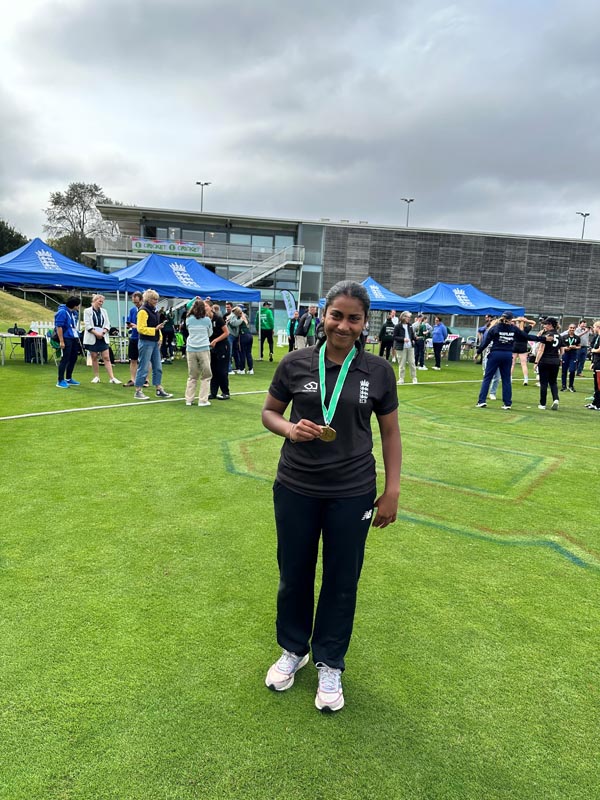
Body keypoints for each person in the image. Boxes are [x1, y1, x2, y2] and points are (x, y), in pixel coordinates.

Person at [261, 280, 401, 713]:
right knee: (294, 573)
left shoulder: (377, 371)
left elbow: (391, 432)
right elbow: (269, 412)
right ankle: (293, 649)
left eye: (353, 318)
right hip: (296, 486)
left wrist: (392, 489)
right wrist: (289, 429)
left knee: (342, 580)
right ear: (323, 315)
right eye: (336, 315)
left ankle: (330, 662)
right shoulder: (295, 362)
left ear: (364, 323)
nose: (343, 325)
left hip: (353, 490)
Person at [474, 311, 532, 409]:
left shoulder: (495, 328)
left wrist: (478, 353)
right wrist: (542, 339)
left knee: (487, 378)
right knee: (506, 380)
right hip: (508, 355)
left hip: (495, 354)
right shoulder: (513, 328)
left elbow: (485, 342)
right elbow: (527, 336)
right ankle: (507, 403)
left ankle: (482, 401)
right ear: (511, 319)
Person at [133, 289, 173, 400]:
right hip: (145, 341)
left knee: (158, 367)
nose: (156, 301)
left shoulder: (154, 311)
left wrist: (159, 337)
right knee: (143, 366)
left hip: (154, 342)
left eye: (157, 299)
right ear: (148, 299)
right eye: (154, 299)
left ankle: (158, 388)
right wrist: (155, 330)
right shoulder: (143, 311)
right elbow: (141, 329)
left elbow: (157, 326)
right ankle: (138, 390)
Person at [83, 295, 121, 384]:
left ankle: (112, 377)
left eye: (102, 302)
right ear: (94, 301)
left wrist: (103, 332)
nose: (101, 303)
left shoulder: (104, 311)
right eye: (99, 301)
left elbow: (107, 323)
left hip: (102, 337)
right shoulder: (87, 311)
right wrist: (96, 333)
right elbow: (87, 325)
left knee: (106, 357)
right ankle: (96, 376)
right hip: (92, 336)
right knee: (94, 357)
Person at [184, 298, 213, 407]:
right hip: (203, 348)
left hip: (191, 349)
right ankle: (203, 400)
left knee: (192, 376)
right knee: (206, 375)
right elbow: (210, 333)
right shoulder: (207, 320)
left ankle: (189, 399)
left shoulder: (188, 319)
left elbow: (188, 329)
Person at [534, 317, 562, 410]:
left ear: (550, 325)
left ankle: (543, 404)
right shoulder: (559, 335)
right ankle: (556, 399)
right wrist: (559, 359)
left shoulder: (547, 335)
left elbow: (541, 349)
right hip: (555, 361)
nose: (544, 326)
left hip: (545, 360)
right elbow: (562, 350)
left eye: (546, 324)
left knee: (544, 383)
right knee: (553, 382)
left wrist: (536, 362)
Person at [54, 296, 82, 388]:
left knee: (73, 358)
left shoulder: (74, 313)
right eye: (78, 305)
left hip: (73, 337)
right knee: (65, 359)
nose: (79, 307)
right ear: (74, 305)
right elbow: (59, 326)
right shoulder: (62, 312)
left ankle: (69, 378)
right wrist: (62, 341)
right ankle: (60, 380)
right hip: (66, 337)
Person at [124, 291, 148, 387]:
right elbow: (130, 322)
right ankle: (133, 379)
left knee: (145, 360)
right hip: (134, 337)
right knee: (133, 359)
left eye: (137, 302)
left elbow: (148, 326)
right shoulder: (132, 310)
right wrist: (129, 325)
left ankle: (146, 380)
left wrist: (136, 326)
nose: (136, 304)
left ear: (142, 300)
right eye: (134, 302)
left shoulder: (146, 310)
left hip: (143, 337)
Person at [208, 303, 231, 400]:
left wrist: (216, 340)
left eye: (205, 307)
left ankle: (225, 392)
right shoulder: (205, 320)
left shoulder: (218, 319)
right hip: (212, 348)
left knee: (222, 370)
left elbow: (226, 333)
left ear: (210, 308)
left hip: (222, 346)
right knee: (213, 370)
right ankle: (213, 392)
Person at [393, 311, 418, 385]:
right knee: (402, 364)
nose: (409, 318)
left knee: (412, 363)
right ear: (403, 317)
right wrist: (403, 339)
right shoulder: (398, 326)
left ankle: (414, 378)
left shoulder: (410, 326)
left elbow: (412, 336)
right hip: (401, 347)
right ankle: (401, 379)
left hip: (410, 347)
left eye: (409, 317)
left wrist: (415, 338)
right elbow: (394, 337)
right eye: (408, 317)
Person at [511, 316, 537, 386]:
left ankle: (510, 378)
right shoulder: (526, 329)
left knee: (512, 363)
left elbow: (509, 320)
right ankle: (526, 379)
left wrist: (518, 319)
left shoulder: (515, 328)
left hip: (515, 345)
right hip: (523, 346)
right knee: (523, 364)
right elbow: (534, 322)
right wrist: (526, 320)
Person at [231, 306, 254, 374]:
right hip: (250, 335)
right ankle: (251, 369)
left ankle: (242, 369)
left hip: (243, 336)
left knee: (242, 352)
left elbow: (233, 324)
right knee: (248, 353)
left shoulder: (239, 318)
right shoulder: (245, 317)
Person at [559, 323, 581, 392]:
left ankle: (571, 386)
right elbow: (560, 346)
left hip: (573, 355)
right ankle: (564, 386)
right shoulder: (564, 337)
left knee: (572, 370)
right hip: (565, 355)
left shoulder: (577, 337)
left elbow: (579, 346)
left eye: (573, 328)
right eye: (570, 328)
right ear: (568, 328)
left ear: (575, 329)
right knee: (564, 371)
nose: (572, 329)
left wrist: (575, 347)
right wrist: (565, 348)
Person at [585, 320, 600, 410]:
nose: (593, 329)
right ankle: (595, 403)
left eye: (594, 327)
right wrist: (593, 362)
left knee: (599, 385)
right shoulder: (597, 337)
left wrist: (593, 350)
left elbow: (598, 350)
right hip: (597, 362)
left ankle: (598, 405)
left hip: (599, 364)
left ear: (598, 327)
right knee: (596, 385)